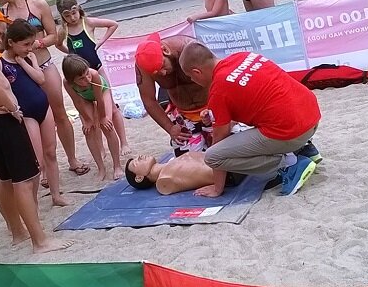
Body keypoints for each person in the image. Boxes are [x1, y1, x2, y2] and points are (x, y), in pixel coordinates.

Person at [0, 4, 73, 253]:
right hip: (5, 121)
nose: (1, 38)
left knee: (3, 181)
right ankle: (39, 241)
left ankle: (17, 231)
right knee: (25, 181)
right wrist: (11, 104)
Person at [0, 0, 89, 177]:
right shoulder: (1, 14)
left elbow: (54, 35)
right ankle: (43, 168)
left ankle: (72, 159)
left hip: (43, 64)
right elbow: (0, 44)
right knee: (30, 119)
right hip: (19, 72)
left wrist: (37, 44)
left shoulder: (38, 5)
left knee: (59, 114)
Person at [179, 43, 322, 197]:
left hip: (292, 131)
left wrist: (217, 188)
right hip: (311, 116)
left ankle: (289, 163)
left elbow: (219, 141)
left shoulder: (218, 89)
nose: (192, 80)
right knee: (250, 127)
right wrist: (217, 115)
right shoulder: (243, 56)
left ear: (197, 72)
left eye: (191, 77)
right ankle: (304, 149)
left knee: (212, 156)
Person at [2, 20, 68, 206]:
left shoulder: (29, 57)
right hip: (26, 113)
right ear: (11, 42)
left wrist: (25, 62)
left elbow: (40, 79)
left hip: (43, 107)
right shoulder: (1, 63)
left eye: (31, 44)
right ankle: (32, 202)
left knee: (51, 152)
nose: (29, 48)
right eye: (25, 44)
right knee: (36, 160)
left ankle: (56, 195)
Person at [135, 33, 212, 155]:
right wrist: (170, 127)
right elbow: (149, 100)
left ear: (165, 51)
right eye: (157, 73)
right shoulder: (144, 64)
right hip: (184, 115)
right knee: (187, 161)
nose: (163, 73)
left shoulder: (191, 49)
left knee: (223, 153)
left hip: (211, 108)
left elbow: (217, 78)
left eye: (162, 66)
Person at [61, 55, 126, 182]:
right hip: (84, 98)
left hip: (102, 92)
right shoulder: (67, 83)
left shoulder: (94, 75)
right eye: (81, 78)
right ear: (72, 80)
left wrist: (103, 117)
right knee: (88, 130)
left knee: (107, 126)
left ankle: (117, 166)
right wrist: (87, 120)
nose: (87, 79)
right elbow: (77, 101)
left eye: (87, 73)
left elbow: (100, 99)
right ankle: (101, 168)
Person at [125, 152, 244, 196]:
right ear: (139, 178)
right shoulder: (164, 182)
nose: (139, 157)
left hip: (226, 161)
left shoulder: (169, 165)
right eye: (136, 163)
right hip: (228, 171)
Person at [55, 0, 118, 74]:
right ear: (62, 16)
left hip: (96, 67)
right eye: (67, 16)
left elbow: (113, 25)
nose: (72, 18)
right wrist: (70, 52)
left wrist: (100, 42)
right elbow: (58, 45)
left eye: (74, 13)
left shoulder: (88, 22)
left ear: (78, 8)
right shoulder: (64, 30)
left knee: (104, 82)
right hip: (78, 72)